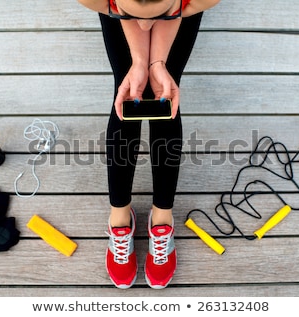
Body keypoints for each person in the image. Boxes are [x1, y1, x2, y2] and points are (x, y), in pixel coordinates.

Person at [77, 0, 220, 289]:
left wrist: (157, 63)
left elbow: (174, 10)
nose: (144, 25)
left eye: (157, 16)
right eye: (130, 15)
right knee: (128, 89)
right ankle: (119, 215)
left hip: (172, 6)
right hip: (144, 4)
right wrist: (140, 62)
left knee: (164, 92)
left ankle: (162, 214)